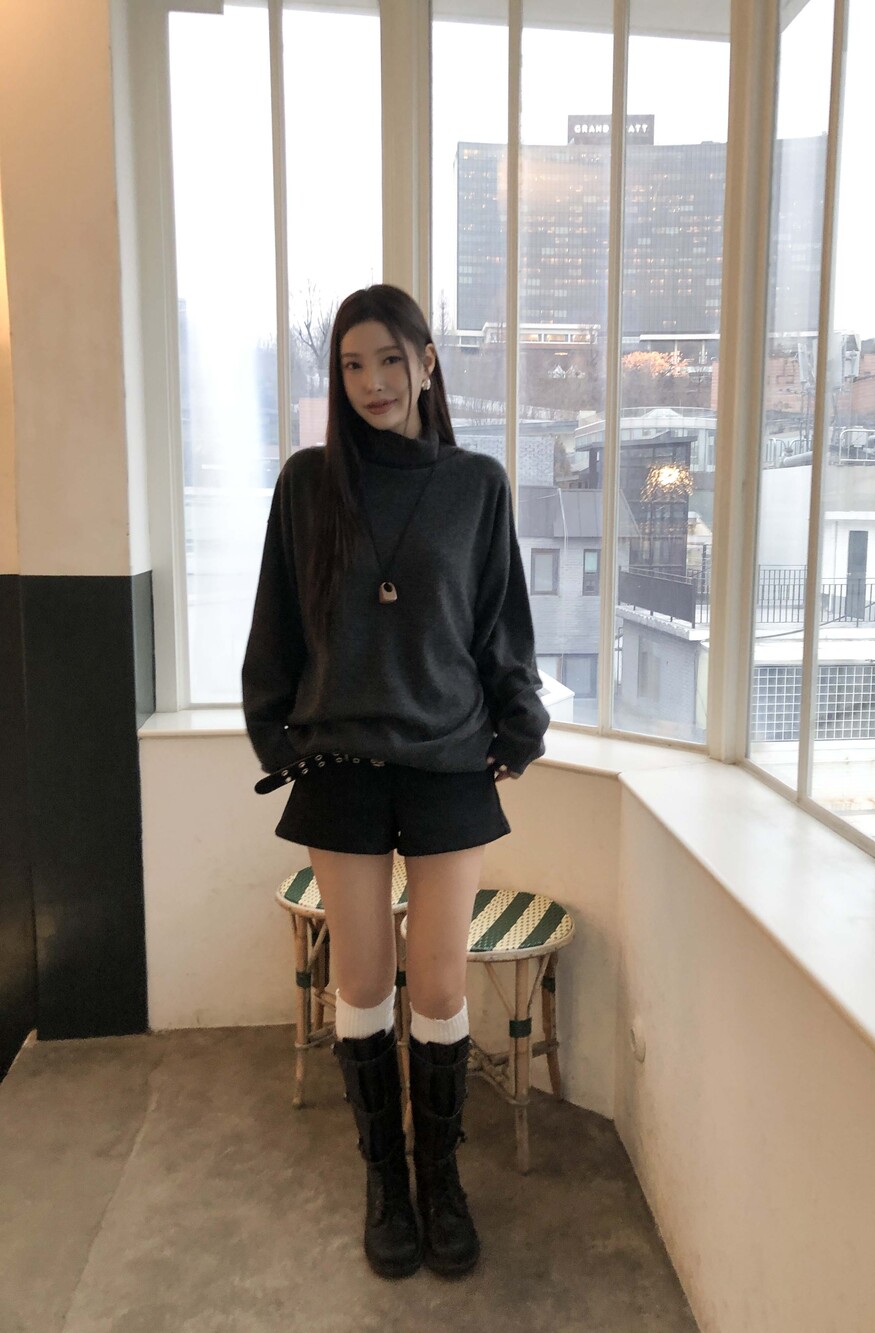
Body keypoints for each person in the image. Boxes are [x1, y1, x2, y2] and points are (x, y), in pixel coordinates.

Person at [242, 284, 548, 1280]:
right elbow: (276, 623)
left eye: (388, 359)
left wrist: (518, 724)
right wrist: (274, 734)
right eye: (351, 364)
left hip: (449, 759)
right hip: (340, 763)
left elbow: (500, 621)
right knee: (365, 980)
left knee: (442, 982)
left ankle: (440, 1181)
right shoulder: (307, 485)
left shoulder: (475, 484)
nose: (371, 381)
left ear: (427, 361)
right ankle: (385, 1180)